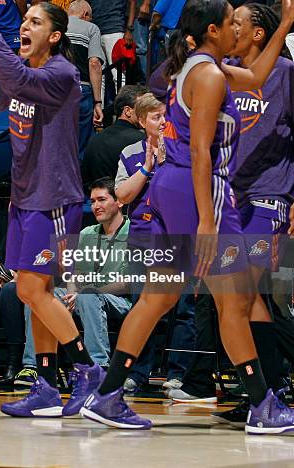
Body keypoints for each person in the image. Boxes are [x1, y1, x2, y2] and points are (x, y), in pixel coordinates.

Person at [80, 0, 294, 435]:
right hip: (199, 193)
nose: (237, 27)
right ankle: (263, 406)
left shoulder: (200, 69)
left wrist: (283, 24)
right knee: (235, 301)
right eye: (230, 21)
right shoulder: (212, 77)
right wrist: (205, 220)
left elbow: (258, 76)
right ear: (213, 30)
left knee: (157, 298)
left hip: (167, 189)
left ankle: (108, 395)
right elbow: (202, 152)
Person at [0, 0, 102, 419]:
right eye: (23, 19)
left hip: (55, 198)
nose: (24, 25)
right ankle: (44, 384)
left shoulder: (63, 73)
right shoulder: (25, 75)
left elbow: (18, 81)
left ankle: (86, 370)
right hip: (23, 199)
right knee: (36, 294)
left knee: (29, 289)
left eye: (35, 22)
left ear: (55, 36)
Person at [171, 5, 294, 427]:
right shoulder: (220, 71)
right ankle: (264, 391)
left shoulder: (287, 73)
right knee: (244, 299)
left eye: (239, 23)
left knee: (247, 295)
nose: (233, 27)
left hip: (269, 195)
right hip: (230, 199)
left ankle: (273, 390)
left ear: (258, 33)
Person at [114, 93, 196, 393]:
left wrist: (165, 162)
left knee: (184, 308)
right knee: (142, 304)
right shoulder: (130, 152)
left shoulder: (182, 148)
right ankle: (137, 371)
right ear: (141, 120)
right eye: (155, 117)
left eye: (165, 116)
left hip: (178, 235)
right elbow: (122, 196)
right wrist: (148, 166)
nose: (162, 121)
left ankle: (178, 373)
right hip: (142, 237)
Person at [21, 178, 133, 384]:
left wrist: (87, 291)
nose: (96, 206)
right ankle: (33, 367)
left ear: (119, 202)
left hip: (121, 300)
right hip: (84, 296)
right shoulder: (86, 233)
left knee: (89, 295)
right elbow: (75, 273)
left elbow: (127, 283)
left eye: (102, 199)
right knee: (40, 295)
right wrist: (73, 292)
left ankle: (97, 366)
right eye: (92, 201)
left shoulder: (133, 232)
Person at [81, 85, 146, 187]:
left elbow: (85, 179)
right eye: (143, 107)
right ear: (127, 110)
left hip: (94, 198)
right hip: (123, 199)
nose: (147, 112)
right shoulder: (140, 141)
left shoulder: (95, 139)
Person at [66, 0, 104, 155]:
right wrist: (97, 102)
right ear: (85, 14)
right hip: (81, 89)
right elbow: (94, 63)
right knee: (81, 144)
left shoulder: (54, 26)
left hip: (53, 89)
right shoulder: (91, 28)